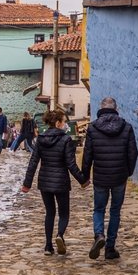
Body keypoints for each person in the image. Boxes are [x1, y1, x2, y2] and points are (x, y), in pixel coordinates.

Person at [21, 109, 87, 255]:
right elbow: (71, 164)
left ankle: (48, 246)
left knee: (50, 212)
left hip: (45, 181)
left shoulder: (41, 139)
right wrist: (83, 180)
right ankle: (60, 235)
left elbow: (33, 162)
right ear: (58, 123)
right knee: (64, 213)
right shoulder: (66, 140)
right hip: (61, 182)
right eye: (64, 122)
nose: (65, 125)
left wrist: (27, 183)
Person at [82, 96, 138, 260]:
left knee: (99, 209)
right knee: (115, 211)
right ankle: (110, 248)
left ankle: (99, 235)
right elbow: (133, 153)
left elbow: (87, 156)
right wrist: (128, 171)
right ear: (116, 109)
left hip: (100, 176)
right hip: (119, 176)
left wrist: (85, 176)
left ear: (101, 108)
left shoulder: (93, 128)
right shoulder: (126, 128)